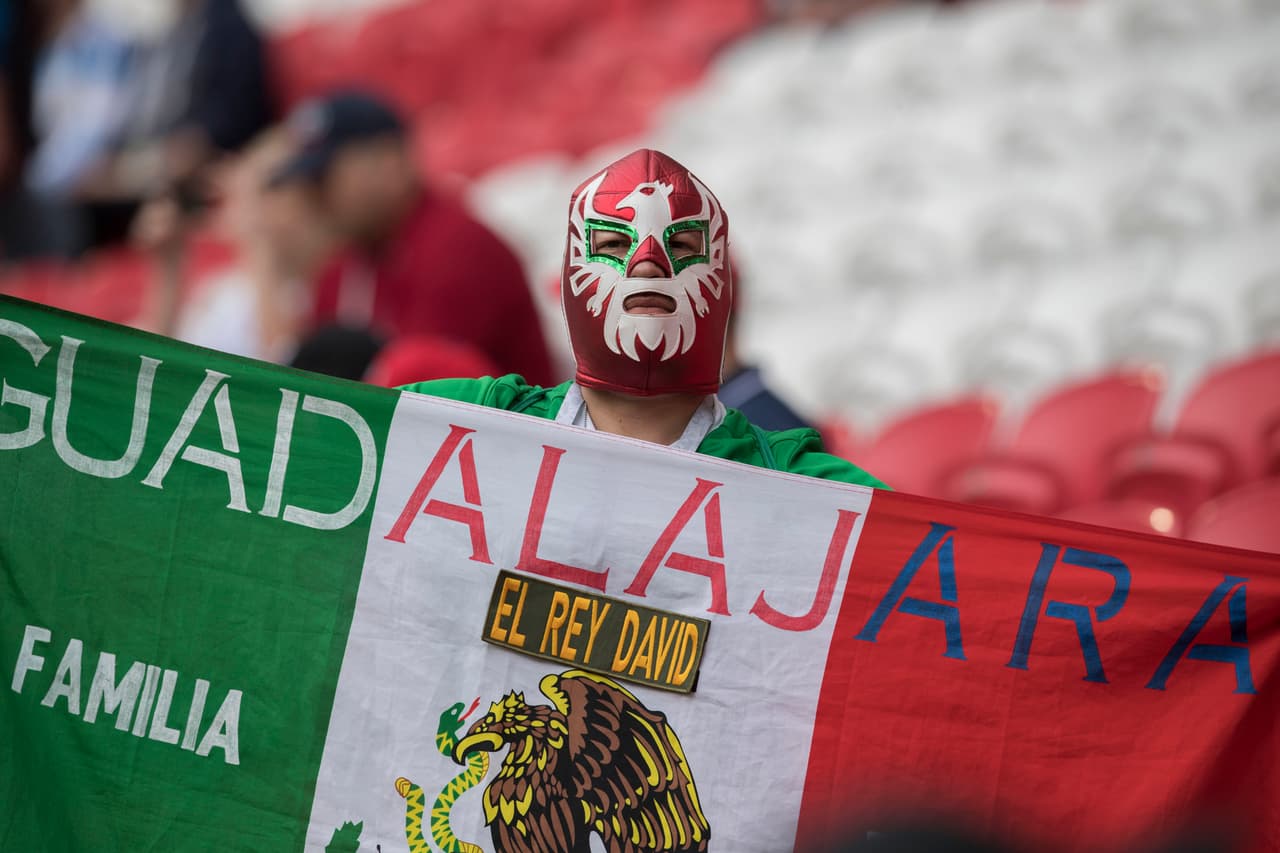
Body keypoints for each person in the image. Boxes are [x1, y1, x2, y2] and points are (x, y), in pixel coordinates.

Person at [400, 148, 886, 488]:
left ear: (721, 285)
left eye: (683, 246)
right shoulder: (471, 422)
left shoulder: (808, 486)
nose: (648, 263)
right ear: (571, 276)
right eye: (613, 244)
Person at [270, 90, 555, 386]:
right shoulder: (340, 268)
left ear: (389, 161)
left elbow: (423, 389)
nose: (314, 199)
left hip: (496, 415)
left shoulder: (458, 248)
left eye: (323, 179)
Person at [132, 129, 333, 361]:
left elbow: (285, 365)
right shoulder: (222, 288)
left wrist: (258, 242)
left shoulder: (324, 287)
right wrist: (169, 264)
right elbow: (157, 362)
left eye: (271, 185)